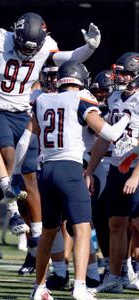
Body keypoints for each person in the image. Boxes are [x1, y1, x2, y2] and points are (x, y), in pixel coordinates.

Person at [0, 12, 101, 275]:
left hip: (25, 112)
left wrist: (88, 48)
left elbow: (68, 57)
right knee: (8, 152)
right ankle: (12, 210)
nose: (26, 52)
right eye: (23, 46)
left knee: (31, 176)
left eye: (31, 49)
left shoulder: (45, 51)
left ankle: (35, 237)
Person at [14, 61, 129, 300]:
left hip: (45, 171)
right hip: (70, 169)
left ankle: (39, 287)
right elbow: (111, 134)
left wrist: (14, 172)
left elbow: (25, 140)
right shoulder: (81, 99)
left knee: (48, 231)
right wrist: (126, 118)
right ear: (81, 80)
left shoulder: (42, 100)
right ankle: (79, 286)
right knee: (82, 228)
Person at [86, 52, 139, 293]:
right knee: (116, 224)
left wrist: (137, 175)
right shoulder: (116, 96)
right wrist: (90, 170)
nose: (121, 77)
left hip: (136, 166)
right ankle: (115, 277)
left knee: (137, 223)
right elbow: (104, 139)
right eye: (120, 72)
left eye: (126, 73)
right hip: (119, 165)